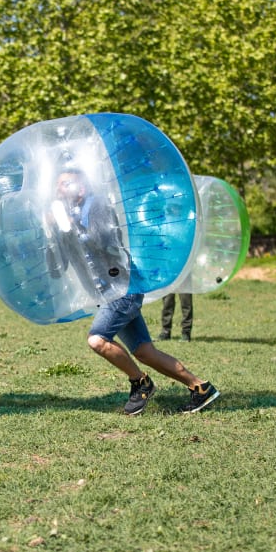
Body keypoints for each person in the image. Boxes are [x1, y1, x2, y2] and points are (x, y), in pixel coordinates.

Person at [52, 167, 220, 415]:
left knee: (97, 340)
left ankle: (141, 383)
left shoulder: (97, 206)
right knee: (145, 351)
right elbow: (58, 267)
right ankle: (201, 388)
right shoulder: (66, 219)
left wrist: (72, 226)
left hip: (123, 287)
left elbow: (105, 242)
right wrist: (53, 233)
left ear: (82, 187)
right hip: (108, 294)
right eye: (58, 185)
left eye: (65, 184)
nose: (59, 189)